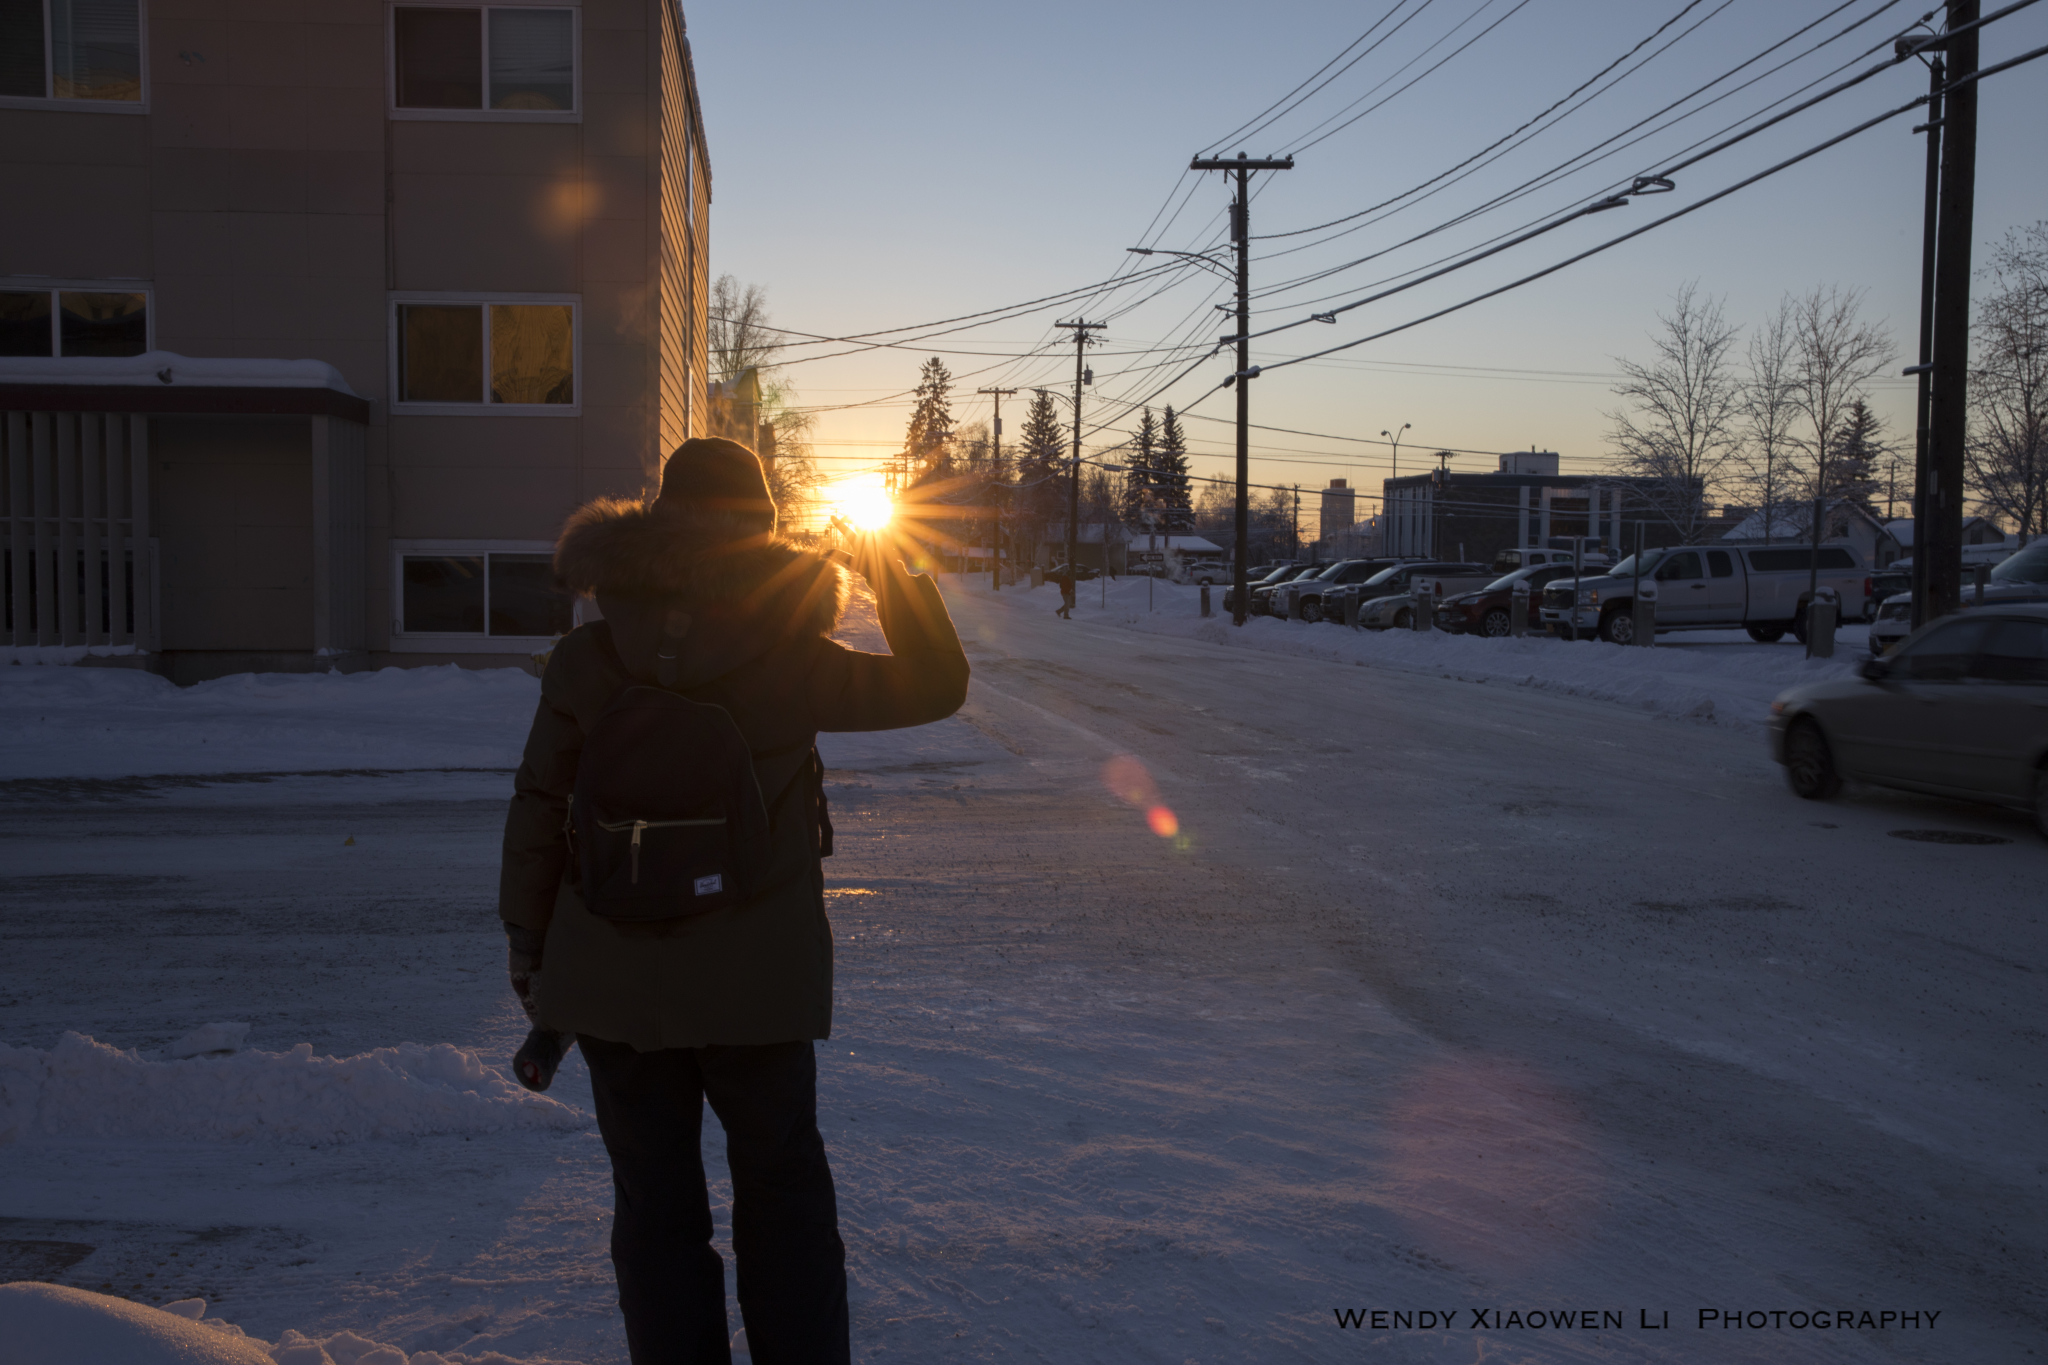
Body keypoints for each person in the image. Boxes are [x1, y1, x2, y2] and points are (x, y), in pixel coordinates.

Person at [499, 437, 969, 1365]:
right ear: (763, 532)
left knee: (655, 1209)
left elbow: (538, 810)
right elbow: (937, 683)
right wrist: (896, 562)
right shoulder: (790, 657)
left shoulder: (587, 659)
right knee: (784, 1196)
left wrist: (531, 949)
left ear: (656, 527)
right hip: (759, 984)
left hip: (615, 984)